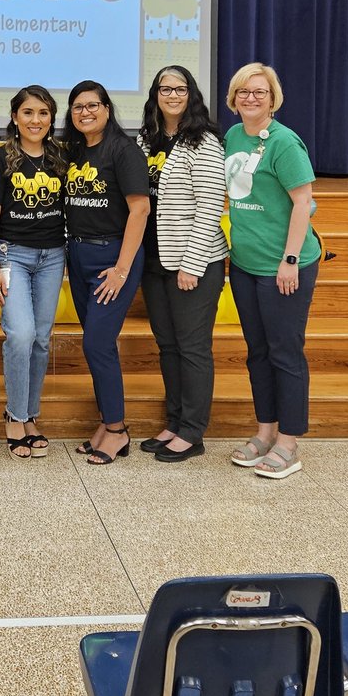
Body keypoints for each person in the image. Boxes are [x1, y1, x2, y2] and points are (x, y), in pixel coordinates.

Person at [223, 61, 321, 480]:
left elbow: (304, 202)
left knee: (285, 353)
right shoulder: (231, 136)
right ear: (233, 97)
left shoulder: (284, 142)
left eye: (259, 92)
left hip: (285, 266)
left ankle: (289, 442)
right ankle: (265, 432)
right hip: (245, 264)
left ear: (272, 98)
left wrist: (290, 260)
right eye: (244, 91)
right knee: (258, 352)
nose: (251, 98)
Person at [136, 66, 228, 463]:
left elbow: (210, 208)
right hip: (155, 259)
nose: (172, 94)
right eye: (164, 88)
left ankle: (193, 431)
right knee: (167, 345)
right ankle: (173, 421)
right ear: (155, 94)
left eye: (180, 88)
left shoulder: (204, 140)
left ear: (191, 94)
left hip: (196, 261)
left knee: (192, 348)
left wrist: (191, 265)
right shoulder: (146, 139)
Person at [63, 80, 150, 465]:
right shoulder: (74, 151)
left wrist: (121, 269)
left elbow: (140, 210)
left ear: (108, 109)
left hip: (113, 259)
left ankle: (116, 430)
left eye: (93, 105)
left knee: (96, 344)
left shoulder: (124, 150)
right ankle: (105, 423)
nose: (85, 112)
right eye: (78, 107)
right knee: (99, 344)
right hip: (79, 256)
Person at [0, 86, 66, 460]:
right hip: (13, 256)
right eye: (28, 113)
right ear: (15, 117)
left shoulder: (61, 157)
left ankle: (31, 415)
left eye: (44, 113)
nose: (36, 120)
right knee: (21, 334)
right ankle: (14, 415)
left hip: (53, 257)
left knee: (42, 338)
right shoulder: (1, 158)